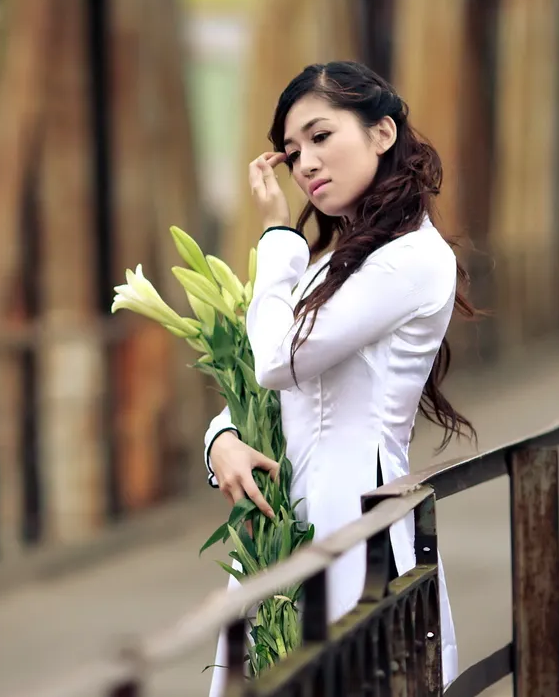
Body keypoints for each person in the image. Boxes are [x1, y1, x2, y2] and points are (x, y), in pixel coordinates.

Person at [203, 62, 473, 692]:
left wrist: (275, 235)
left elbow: (276, 360)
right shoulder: (334, 261)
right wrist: (220, 442)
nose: (304, 165)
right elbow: (272, 385)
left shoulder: (411, 258)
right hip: (283, 523)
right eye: (293, 152)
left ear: (382, 134)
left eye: (322, 137)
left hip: (354, 526)